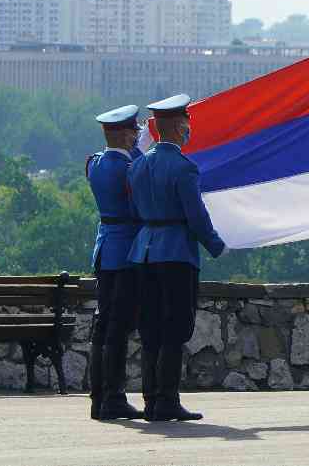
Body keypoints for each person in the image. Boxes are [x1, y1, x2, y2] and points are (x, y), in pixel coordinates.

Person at [127, 94, 228, 422]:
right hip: (176, 254)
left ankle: (151, 400)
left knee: (151, 328)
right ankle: (167, 399)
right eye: (185, 123)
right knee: (175, 328)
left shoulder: (138, 165)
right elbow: (195, 216)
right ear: (173, 126)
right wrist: (216, 244)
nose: (188, 129)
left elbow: (134, 210)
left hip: (143, 252)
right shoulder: (184, 167)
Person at [85, 104, 145, 420]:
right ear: (124, 134)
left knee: (103, 326)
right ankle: (114, 396)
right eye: (134, 131)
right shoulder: (130, 169)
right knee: (117, 329)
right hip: (125, 253)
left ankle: (99, 397)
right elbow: (139, 207)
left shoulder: (94, 164)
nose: (137, 136)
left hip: (105, 250)